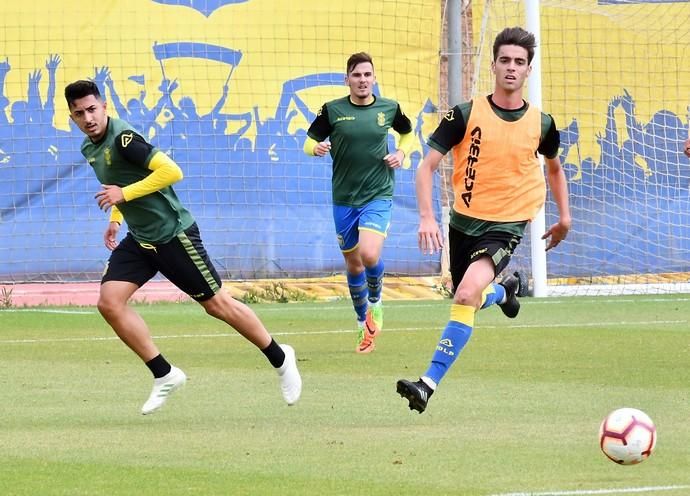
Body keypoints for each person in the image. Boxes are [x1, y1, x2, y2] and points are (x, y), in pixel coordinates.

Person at [64, 80, 301, 414]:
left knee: (217, 305)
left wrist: (124, 196)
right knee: (109, 302)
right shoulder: (90, 148)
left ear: (104, 107)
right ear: (72, 117)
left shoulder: (125, 139)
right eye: (79, 113)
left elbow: (172, 171)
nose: (88, 117)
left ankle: (281, 358)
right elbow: (119, 181)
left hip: (174, 235)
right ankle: (165, 374)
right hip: (141, 239)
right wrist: (117, 217)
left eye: (92, 109)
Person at [396, 27, 571, 413]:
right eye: (505, 60)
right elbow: (426, 168)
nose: (511, 68)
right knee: (468, 298)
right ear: (493, 65)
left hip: (508, 223)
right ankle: (504, 291)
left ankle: (427, 384)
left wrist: (564, 218)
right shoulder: (463, 114)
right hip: (463, 222)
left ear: (529, 70)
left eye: (519, 62)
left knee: (462, 294)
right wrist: (426, 217)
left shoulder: (542, 124)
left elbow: (555, 170)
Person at [303, 52, 414, 354]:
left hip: (378, 194)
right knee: (353, 263)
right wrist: (316, 148)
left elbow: (407, 134)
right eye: (356, 75)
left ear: (374, 78)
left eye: (367, 75)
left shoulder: (389, 108)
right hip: (343, 198)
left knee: (368, 253)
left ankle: (376, 302)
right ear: (347, 79)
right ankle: (360, 323)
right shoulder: (332, 110)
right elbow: (308, 141)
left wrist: (402, 155)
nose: (362, 80)